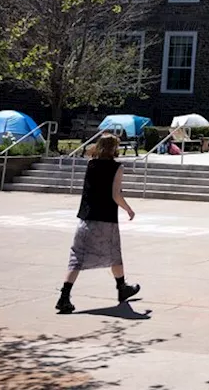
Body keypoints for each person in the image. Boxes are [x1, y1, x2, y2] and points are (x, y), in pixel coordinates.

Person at [56, 133, 139, 314]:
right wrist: (129, 209)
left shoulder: (90, 164)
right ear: (114, 148)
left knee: (77, 257)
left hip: (85, 218)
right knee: (114, 253)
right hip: (106, 219)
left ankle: (64, 296)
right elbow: (115, 195)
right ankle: (122, 287)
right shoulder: (117, 167)